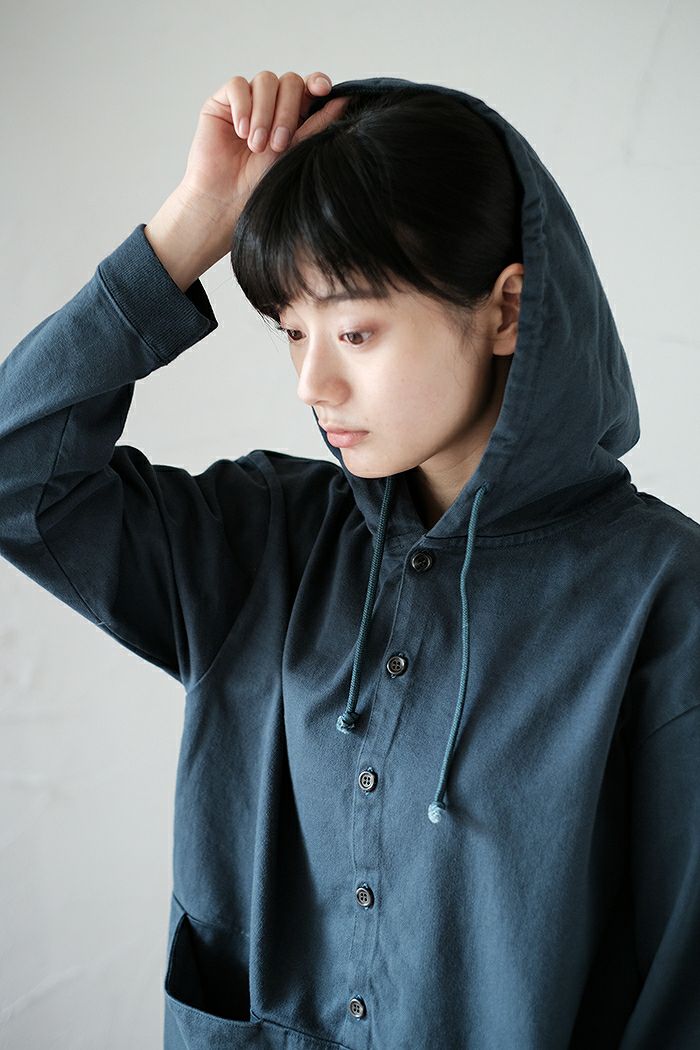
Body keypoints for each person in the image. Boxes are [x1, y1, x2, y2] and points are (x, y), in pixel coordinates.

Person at [1, 69, 698, 1050]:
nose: (311, 382)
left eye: (356, 331)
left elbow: (681, 986)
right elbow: (15, 471)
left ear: (506, 311)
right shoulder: (263, 540)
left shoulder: (660, 598)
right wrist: (192, 223)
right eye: (293, 332)